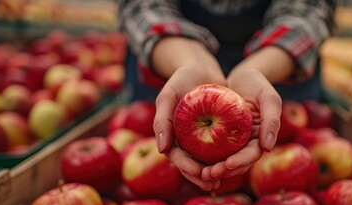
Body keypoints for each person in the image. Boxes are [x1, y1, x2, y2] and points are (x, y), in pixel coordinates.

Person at [117, 0, 336, 191]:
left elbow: (307, 8)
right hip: (171, 58)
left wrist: (256, 70)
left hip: (276, 69)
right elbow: (142, 5)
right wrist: (191, 62)